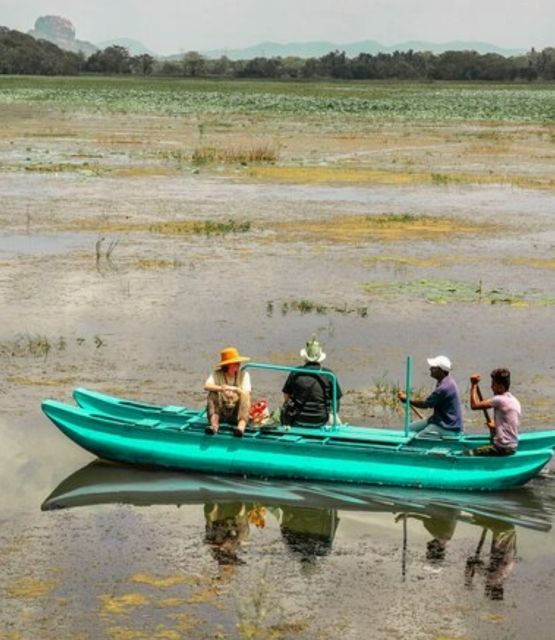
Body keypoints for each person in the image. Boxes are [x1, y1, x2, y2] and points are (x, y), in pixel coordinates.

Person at [281, 336, 342, 427]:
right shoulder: (329, 375)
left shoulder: (296, 372)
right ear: (320, 357)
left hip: (298, 418)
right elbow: (336, 399)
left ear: (305, 357)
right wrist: (333, 414)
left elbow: (286, 395)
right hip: (321, 419)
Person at [398, 355, 463, 436]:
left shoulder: (444, 388)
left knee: (416, 438)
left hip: (447, 426)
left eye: (433, 368)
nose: (430, 369)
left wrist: (407, 400)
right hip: (439, 420)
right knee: (409, 429)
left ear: (440, 370)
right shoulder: (445, 380)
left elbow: (425, 405)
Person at [465, 368, 521, 456]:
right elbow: (508, 421)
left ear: (501, 387)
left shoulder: (499, 400)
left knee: (468, 453)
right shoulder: (514, 400)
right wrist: (495, 425)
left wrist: (474, 385)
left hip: (502, 448)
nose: (491, 387)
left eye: (493, 384)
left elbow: (474, 405)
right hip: (512, 445)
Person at [204, 346, 251, 437]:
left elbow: (247, 392)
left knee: (245, 396)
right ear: (227, 365)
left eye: (238, 363)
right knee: (212, 393)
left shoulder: (244, 375)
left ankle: (240, 428)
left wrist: (235, 389)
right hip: (221, 411)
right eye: (235, 363)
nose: (238, 365)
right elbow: (206, 386)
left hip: (236, 412)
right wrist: (222, 389)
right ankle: (214, 426)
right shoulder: (217, 374)